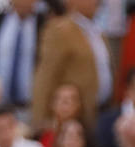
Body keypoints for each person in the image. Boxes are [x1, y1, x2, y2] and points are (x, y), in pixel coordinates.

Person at [32, 0, 113, 131]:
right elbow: (45, 77)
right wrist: (40, 120)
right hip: (74, 116)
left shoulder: (97, 31)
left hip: (101, 111)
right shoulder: (60, 30)